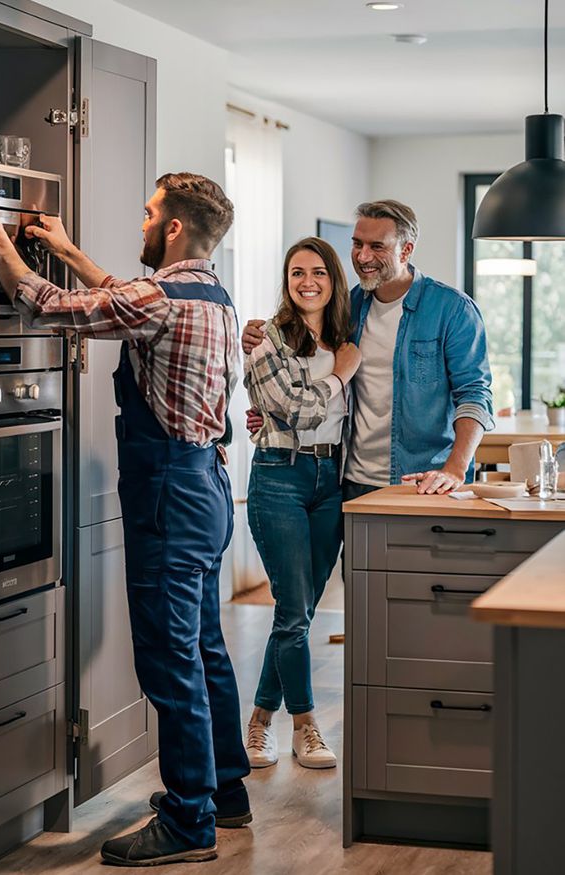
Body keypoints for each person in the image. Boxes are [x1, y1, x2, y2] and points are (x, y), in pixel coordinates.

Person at [0, 172, 251, 867]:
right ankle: (225, 790)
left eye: (151, 213)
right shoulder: (210, 294)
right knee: (204, 644)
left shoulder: (158, 299)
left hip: (168, 495)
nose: (144, 221)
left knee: (169, 657)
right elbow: (125, 297)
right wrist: (69, 245)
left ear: (173, 227)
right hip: (205, 485)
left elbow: (49, 303)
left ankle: (188, 820)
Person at [243, 200, 493, 499]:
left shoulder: (451, 309)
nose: (363, 256)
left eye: (377, 246)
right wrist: (258, 340)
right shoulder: (348, 307)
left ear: (406, 250)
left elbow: (474, 394)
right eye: (357, 244)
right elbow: (305, 360)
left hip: (424, 480)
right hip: (350, 478)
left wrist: (455, 467)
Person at [242, 237, 361, 770]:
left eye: (318, 272)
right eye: (296, 273)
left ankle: (259, 721)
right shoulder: (268, 339)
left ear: (334, 280)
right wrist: (342, 373)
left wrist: (345, 364)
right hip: (280, 479)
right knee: (293, 612)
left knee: (301, 613)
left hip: (330, 482)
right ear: (286, 282)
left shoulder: (345, 335)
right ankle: (306, 726)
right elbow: (294, 412)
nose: (307, 281)